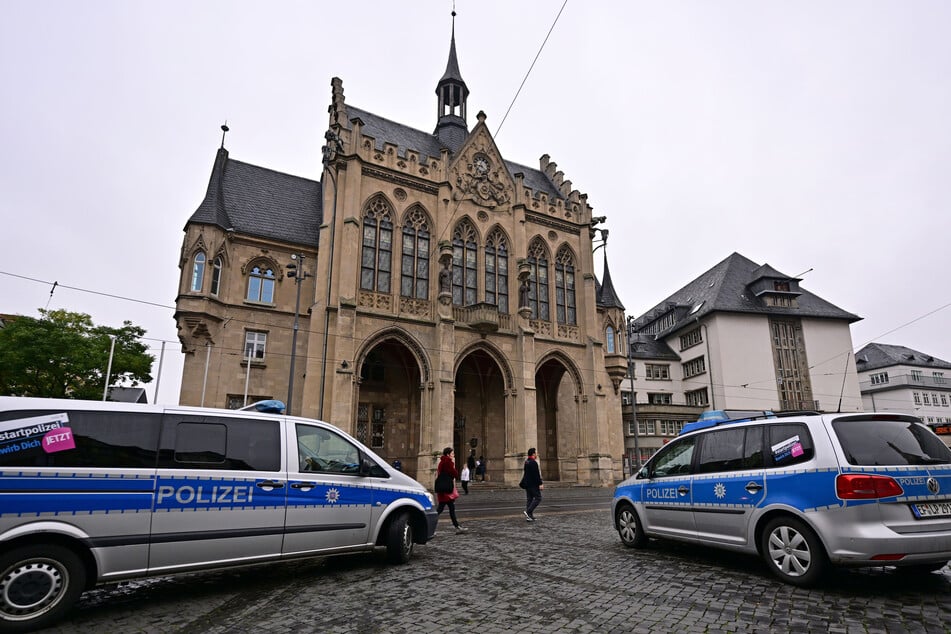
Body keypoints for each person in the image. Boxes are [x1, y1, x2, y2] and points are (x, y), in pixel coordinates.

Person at [435, 447, 467, 534]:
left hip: (443, 490)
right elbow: (454, 473)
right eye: (452, 454)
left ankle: (457, 527)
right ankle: (429, 526)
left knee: (448, 509)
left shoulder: (442, 462)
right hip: (446, 491)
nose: (453, 455)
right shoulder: (447, 462)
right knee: (440, 510)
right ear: (448, 454)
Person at [522, 447, 543, 522]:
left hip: (527, 484)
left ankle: (529, 517)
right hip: (533, 484)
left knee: (529, 499)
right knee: (538, 498)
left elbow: (526, 473)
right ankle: (528, 512)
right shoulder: (534, 462)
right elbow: (536, 475)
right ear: (533, 454)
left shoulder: (527, 461)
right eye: (536, 453)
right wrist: (540, 483)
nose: (537, 454)